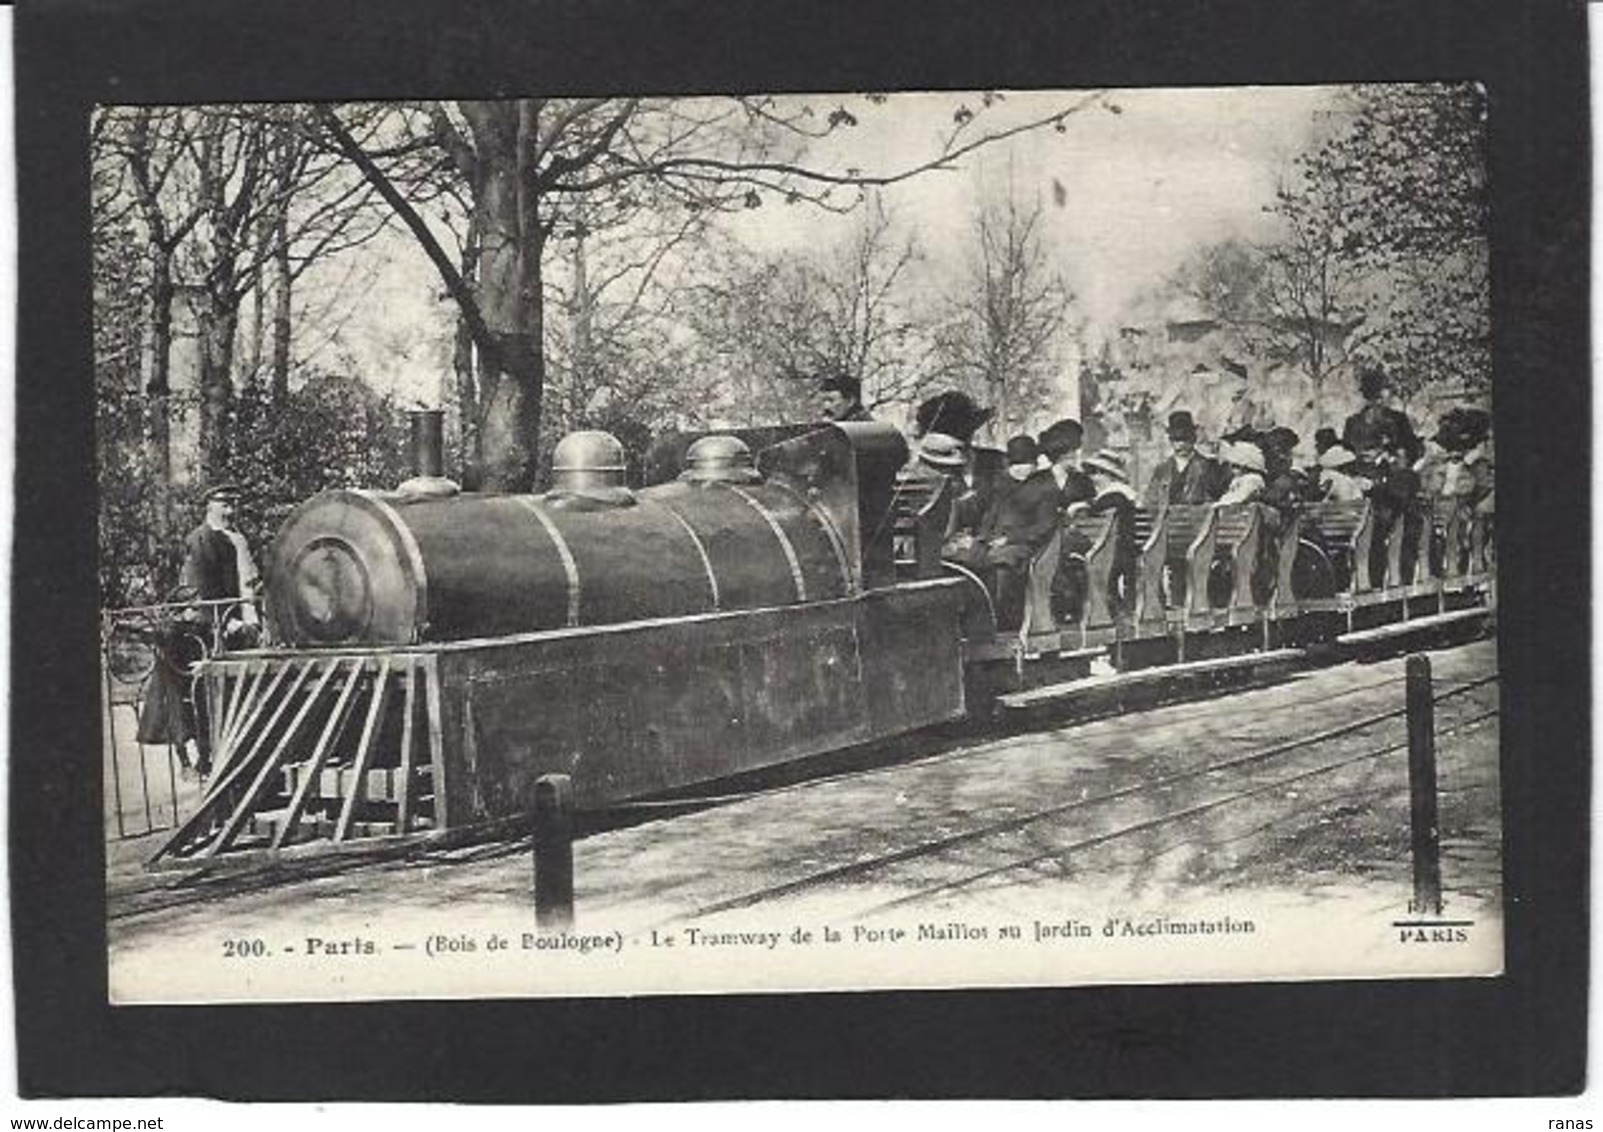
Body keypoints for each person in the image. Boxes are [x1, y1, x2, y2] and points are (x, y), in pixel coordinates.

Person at [1143, 410, 1228, 509]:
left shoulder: (1208, 467)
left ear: (1193, 439)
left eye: (1185, 439)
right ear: (1171, 440)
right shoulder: (1161, 470)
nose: (1181, 444)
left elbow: (1216, 502)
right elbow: (1150, 501)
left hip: (1197, 521)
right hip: (1165, 522)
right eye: (1177, 439)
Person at [1342, 366, 1423, 467]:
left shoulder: (1399, 419)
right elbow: (1345, 454)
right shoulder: (1352, 423)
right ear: (1376, 394)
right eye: (1386, 388)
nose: (1390, 393)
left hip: (1392, 473)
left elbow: (1411, 451)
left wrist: (1391, 454)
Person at [1215, 440, 1267, 505]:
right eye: (1232, 465)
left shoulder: (1252, 479)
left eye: (1235, 466)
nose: (1232, 469)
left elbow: (1241, 496)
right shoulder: (1238, 479)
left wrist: (1223, 502)